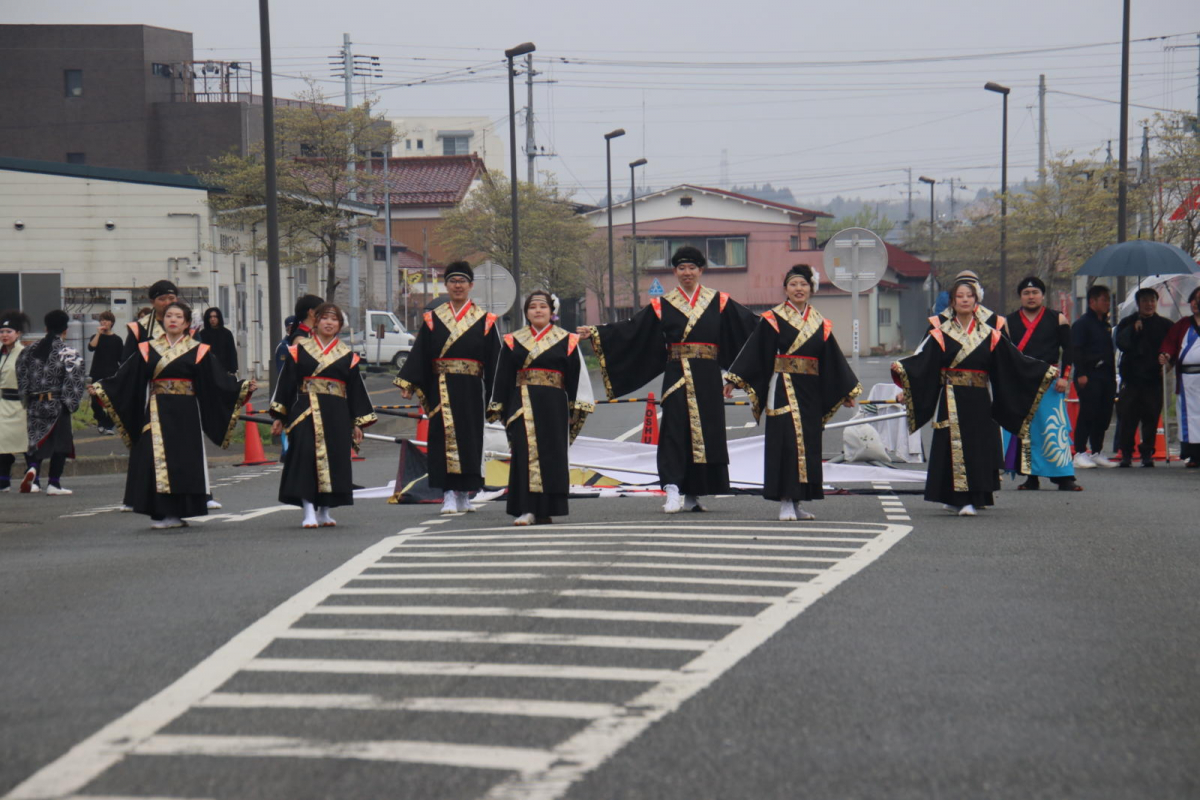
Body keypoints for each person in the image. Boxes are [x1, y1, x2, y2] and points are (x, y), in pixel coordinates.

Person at [577, 245, 757, 513]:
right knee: (674, 431)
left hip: (708, 376)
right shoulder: (663, 304)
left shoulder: (718, 301)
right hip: (677, 376)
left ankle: (695, 493)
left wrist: (737, 375)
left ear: (701, 270)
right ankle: (672, 487)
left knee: (706, 433)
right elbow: (633, 329)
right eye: (682, 268)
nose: (687, 272)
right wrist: (596, 332)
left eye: (692, 268)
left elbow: (748, 329)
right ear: (675, 272)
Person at [892, 280, 1057, 516]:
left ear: (976, 301)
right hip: (951, 397)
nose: (965, 300)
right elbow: (924, 365)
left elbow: (1014, 362)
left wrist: (1044, 371)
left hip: (979, 398)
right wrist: (906, 386)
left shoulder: (990, 334)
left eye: (969, 296)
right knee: (952, 446)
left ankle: (972, 497)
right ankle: (954, 497)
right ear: (953, 302)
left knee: (976, 447)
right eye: (960, 296)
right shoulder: (940, 333)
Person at [91, 301, 255, 529]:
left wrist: (242, 387)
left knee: (183, 460)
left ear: (187, 323)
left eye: (178, 316)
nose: (173, 319)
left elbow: (216, 380)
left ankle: (178, 512)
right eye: (169, 316)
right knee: (150, 453)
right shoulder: (148, 348)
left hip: (186, 411)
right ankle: (160, 511)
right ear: (163, 321)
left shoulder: (198, 350)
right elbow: (128, 377)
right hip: (157, 409)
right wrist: (103, 388)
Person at [725, 265, 861, 521]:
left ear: (811, 289)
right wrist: (735, 379)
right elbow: (755, 351)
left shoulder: (820, 322)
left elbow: (832, 359)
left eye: (804, 285)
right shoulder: (773, 319)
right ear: (785, 289)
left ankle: (798, 500)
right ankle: (784, 500)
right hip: (783, 386)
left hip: (810, 389)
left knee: (807, 443)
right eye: (794, 285)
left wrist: (845, 390)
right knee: (785, 442)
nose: (799, 289)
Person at [396, 262, 500, 514]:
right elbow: (420, 352)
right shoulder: (433, 319)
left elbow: (496, 359)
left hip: (472, 389)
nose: (457, 285)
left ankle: (465, 493)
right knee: (442, 440)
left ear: (470, 286)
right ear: (447, 285)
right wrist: (408, 381)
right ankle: (447, 495)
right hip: (441, 387)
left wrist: (498, 394)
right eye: (453, 281)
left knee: (470, 439)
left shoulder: (485, 320)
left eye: (462, 281)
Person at [489, 291, 594, 526]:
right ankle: (526, 508)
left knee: (551, 456)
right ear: (526, 313)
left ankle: (547, 508)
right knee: (525, 455)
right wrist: (501, 408)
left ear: (551, 312)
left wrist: (573, 409)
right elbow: (503, 377)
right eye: (532, 307)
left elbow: (577, 377)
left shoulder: (567, 340)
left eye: (542, 307)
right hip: (522, 405)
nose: (538, 310)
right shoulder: (512, 340)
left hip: (554, 407)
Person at [270, 302, 376, 528]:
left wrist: (357, 421)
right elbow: (287, 383)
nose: (329, 322)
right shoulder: (299, 350)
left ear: (340, 325)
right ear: (316, 322)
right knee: (305, 456)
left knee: (334, 459)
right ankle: (308, 509)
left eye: (334, 319)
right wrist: (279, 415)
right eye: (325, 318)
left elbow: (356, 390)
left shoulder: (347, 355)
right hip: (305, 410)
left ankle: (324, 510)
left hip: (336, 413)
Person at [1001, 276, 1081, 491]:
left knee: (1054, 427)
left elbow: (1069, 349)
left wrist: (1065, 376)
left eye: (1035, 292)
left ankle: (1064, 476)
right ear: (1020, 296)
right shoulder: (1008, 322)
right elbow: (1005, 355)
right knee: (1027, 431)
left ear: (1042, 295)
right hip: (1022, 382)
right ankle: (1030, 476)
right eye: (1026, 293)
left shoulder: (1058, 318)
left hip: (1051, 380)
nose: (1031, 296)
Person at [16, 310, 88, 495]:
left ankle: (33, 474)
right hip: (57, 403)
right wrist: (70, 403)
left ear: (46, 327)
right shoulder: (68, 352)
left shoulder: (28, 351)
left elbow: (21, 376)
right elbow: (75, 380)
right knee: (60, 444)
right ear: (65, 330)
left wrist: (26, 399)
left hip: (34, 403)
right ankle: (54, 484)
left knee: (35, 440)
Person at [1115, 287, 1173, 467]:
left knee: (1151, 418)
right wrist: (1133, 329)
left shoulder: (1165, 325)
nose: (1149, 304)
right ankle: (1126, 454)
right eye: (1145, 301)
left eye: (1152, 300)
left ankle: (1147, 453)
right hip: (1131, 380)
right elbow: (1121, 344)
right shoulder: (1127, 322)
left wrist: (1168, 360)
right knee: (1127, 418)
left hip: (1153, 380)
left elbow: (1172, 348)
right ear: (1138, 304)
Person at [1070, 284, 1119, 469]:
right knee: (1088, 412)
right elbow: (1077, 350)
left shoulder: (1105, 325)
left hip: (1106, 375)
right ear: (1092, 302)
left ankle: (1097, 450)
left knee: (1104, 413)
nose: (1107, 303)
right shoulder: (1082, 324)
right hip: (1089, 374)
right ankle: (1080, 451)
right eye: (1104, 299)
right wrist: (1081, 373)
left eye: (1108, 299)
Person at [1159, 286, 1200, 468]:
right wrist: (1166, 355)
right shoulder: (1182, 325)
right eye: (1194, 299)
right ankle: (1192, 455)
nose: (1196, 303)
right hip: (1187, 381)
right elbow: (1170, 345)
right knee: (1189, 418)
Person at [0, 310, 33, 492]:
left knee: (25, 442)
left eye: (8, 332)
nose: (4, 335)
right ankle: (3, 480)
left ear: (18, 334)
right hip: (3, 404)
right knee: (2, 442)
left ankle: (32, 475)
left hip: (21, 405)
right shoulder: (1, 353)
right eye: (2, 332)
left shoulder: (25, 353)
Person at [121, 280, 178, 362]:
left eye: (171, 298)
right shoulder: (140, 328)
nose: (167, 302)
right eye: (162, 299)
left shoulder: (187, 325)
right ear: (152, 302)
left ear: (177, 299)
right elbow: (127, 362)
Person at [87, 310, 123, 435]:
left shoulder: (117, 340)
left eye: (106, 320)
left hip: (111, 374)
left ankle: (108, 425)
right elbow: (91, 347)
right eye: (102, 320)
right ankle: (101, 420)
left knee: (111, 402)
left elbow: (121, 359)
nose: (103, 322)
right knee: (95, 402)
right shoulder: (96, 337)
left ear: (111, 323)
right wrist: (98, 334)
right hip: (97, 372)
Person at [198, 307, 238, 377]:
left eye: (215, 317)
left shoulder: (226, 333)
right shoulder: (202, 334)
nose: (212, 319)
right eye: (210, 317)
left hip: (224, 369)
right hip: (207, 370)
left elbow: (231, 352)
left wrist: (233, 369)